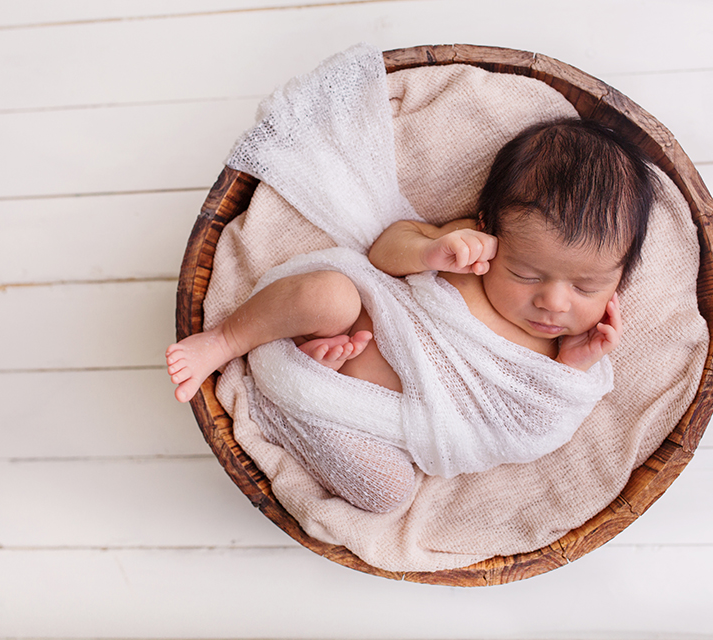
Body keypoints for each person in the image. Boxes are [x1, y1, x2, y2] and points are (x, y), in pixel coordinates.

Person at [166, 118, 655, 511]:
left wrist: (572, 368)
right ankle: (227, 339)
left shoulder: (559, 357)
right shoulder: (467, 251)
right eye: (526, 274)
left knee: (387, 493)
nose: (554, 302)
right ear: (491, 229)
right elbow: (383, 252)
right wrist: (430, 253)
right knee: (329, 296)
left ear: (620, 279)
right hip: (341, 320)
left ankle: (303, 400)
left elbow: (529, 434)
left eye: (587, 286)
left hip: (367, 418)